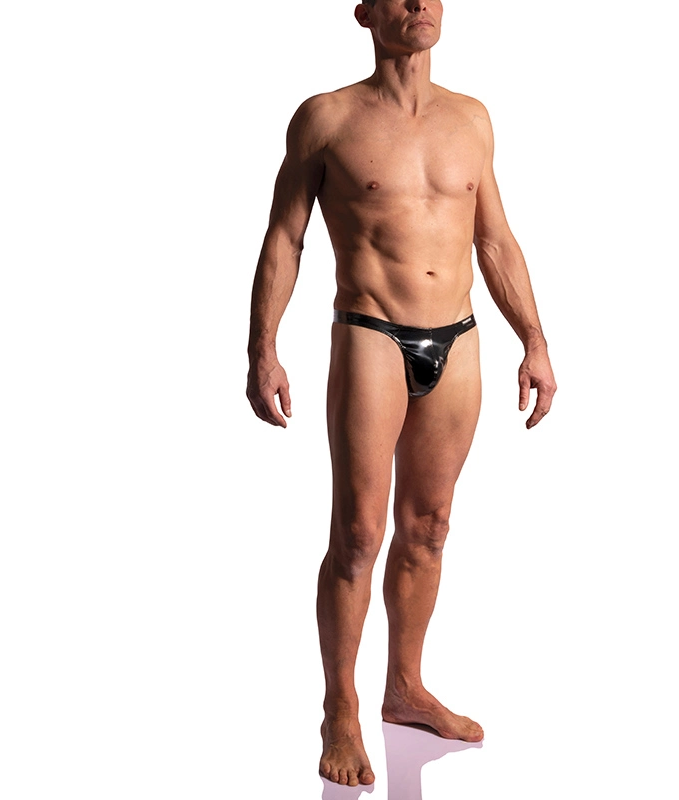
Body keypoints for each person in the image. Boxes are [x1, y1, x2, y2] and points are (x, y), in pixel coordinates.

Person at [246, 0, 556, 788]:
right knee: (358, 533)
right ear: (365, 13)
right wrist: (263, 348)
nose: (420, 4)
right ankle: (340, 709)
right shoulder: (326, 118)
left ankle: (406, 688)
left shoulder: (471, 118)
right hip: (371, 331)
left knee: (430, 527)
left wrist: (535, 340)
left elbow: (494, 237)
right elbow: (286, 236)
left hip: (459, 336)